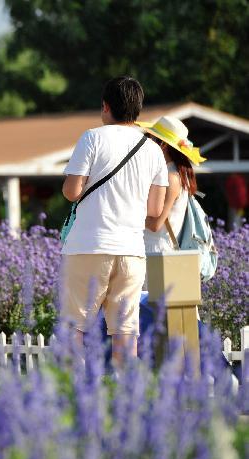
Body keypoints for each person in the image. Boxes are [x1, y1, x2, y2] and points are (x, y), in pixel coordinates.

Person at [60, 76, 168, 364]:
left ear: (105, 106)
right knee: (125, 331)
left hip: (88, 246)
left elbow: (71, 192)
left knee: (75, 326)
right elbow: (155, 209)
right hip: (131, 249)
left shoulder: (92, 138)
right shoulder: (154, 150)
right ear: (138, 110)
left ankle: (73, 389)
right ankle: (126, 390)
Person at [141, 116, 204, 252]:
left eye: (150, 138)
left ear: (162, 145)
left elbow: (155, 225)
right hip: (156, 250)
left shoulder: (171, 178)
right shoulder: (175, 174)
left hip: (156, 252)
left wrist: (126, 214)